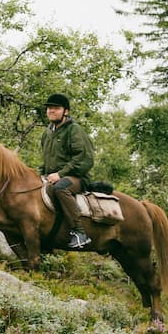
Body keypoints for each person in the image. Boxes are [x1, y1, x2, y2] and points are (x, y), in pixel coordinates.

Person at [39, 92, 96, 250]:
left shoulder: (74, 130)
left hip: (76, 178)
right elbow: (46, 161)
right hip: (53, 176)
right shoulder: (47, 133)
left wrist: (60, 174)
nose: (51, 111)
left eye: (56, 108)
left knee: (60, 187)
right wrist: (39, 174)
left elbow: (85, 159)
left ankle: (79, 232)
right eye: (49, 108)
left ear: (66, 111)